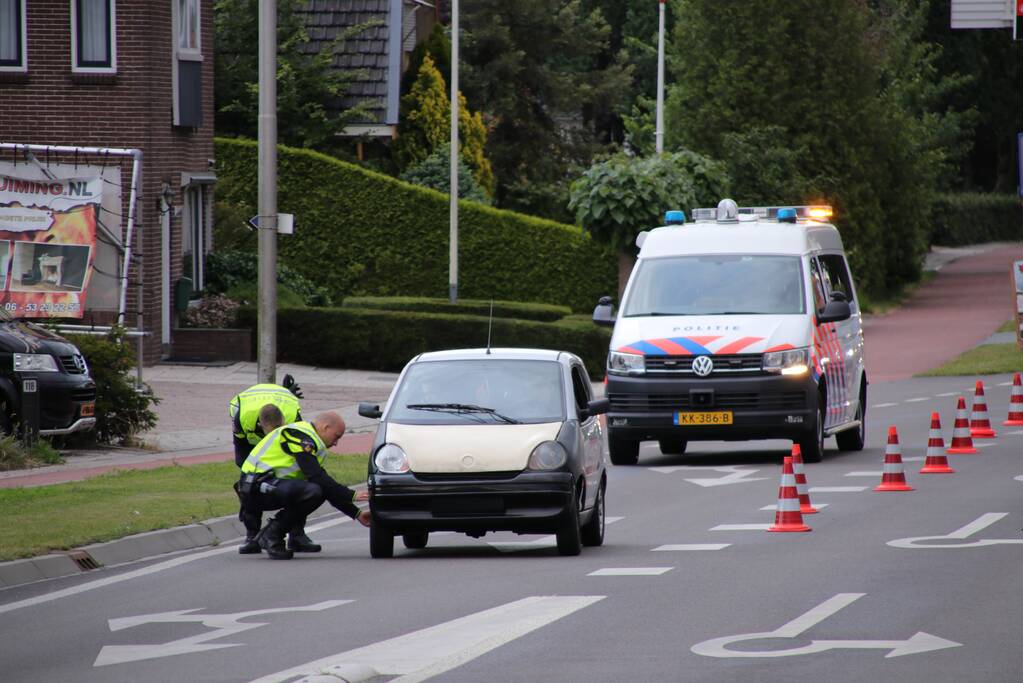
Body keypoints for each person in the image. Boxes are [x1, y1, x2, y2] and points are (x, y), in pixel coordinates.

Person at [239, 411, 371, 560]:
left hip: (269, 486)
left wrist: (357, 514)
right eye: (337, 436)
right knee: (312, 491)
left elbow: (324, 485)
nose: (336, 443)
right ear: (326, 427)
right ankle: (272, 534)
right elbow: (317, 477)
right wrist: (351, 495)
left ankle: (293, 537)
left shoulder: (311, 441)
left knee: (315, 489)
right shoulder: (299, 436)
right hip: (254, 489)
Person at [229, 376, 303, 554]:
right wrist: (252, 481)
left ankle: (298, 535)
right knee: (248, 482)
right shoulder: (243, 419)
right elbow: (241, 457)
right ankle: (252, 535)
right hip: (249, 419)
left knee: (298, 480)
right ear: (260, 425)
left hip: (282, 401)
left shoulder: (293, 417)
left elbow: (299, 456)